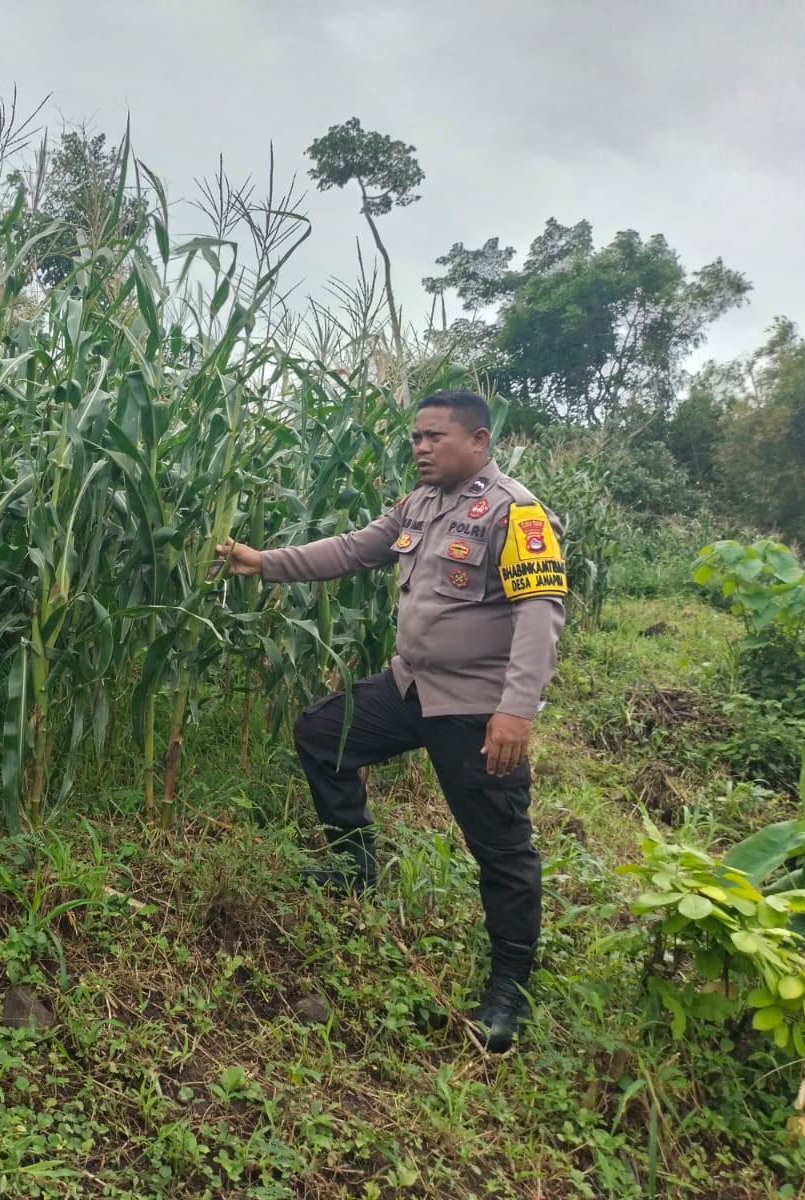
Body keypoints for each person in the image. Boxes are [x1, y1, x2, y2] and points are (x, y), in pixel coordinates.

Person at [216, 390, 566, 1054]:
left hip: (474, 706)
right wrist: (265, 563)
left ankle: (509, 992)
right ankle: (355, 865)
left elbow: (539, 613)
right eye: (416, 438)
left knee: (501, 849)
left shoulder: (515, 513)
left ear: (479, 441)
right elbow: (354, 550)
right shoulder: (420, 505)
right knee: (323, 735)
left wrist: (516, 710)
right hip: (411, 685)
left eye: (436, 437)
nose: (421, 448)